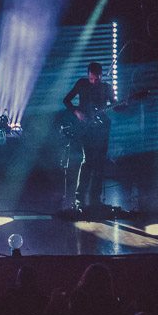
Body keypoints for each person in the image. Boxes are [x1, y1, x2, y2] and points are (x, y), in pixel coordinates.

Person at [62, 61, 117, 212]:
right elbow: (66, 100)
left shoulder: (106, 88)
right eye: (91, 78)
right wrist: (77, 112)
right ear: (88, 75)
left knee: (99, 162)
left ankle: (95, 199)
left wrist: (123, 105)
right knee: (88, 161)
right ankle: (80, 197)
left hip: (102, 129)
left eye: (96, 79)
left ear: (101, 76)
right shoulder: (82, 83)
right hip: (86, 128)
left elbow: (114, 105)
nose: (93, 81)